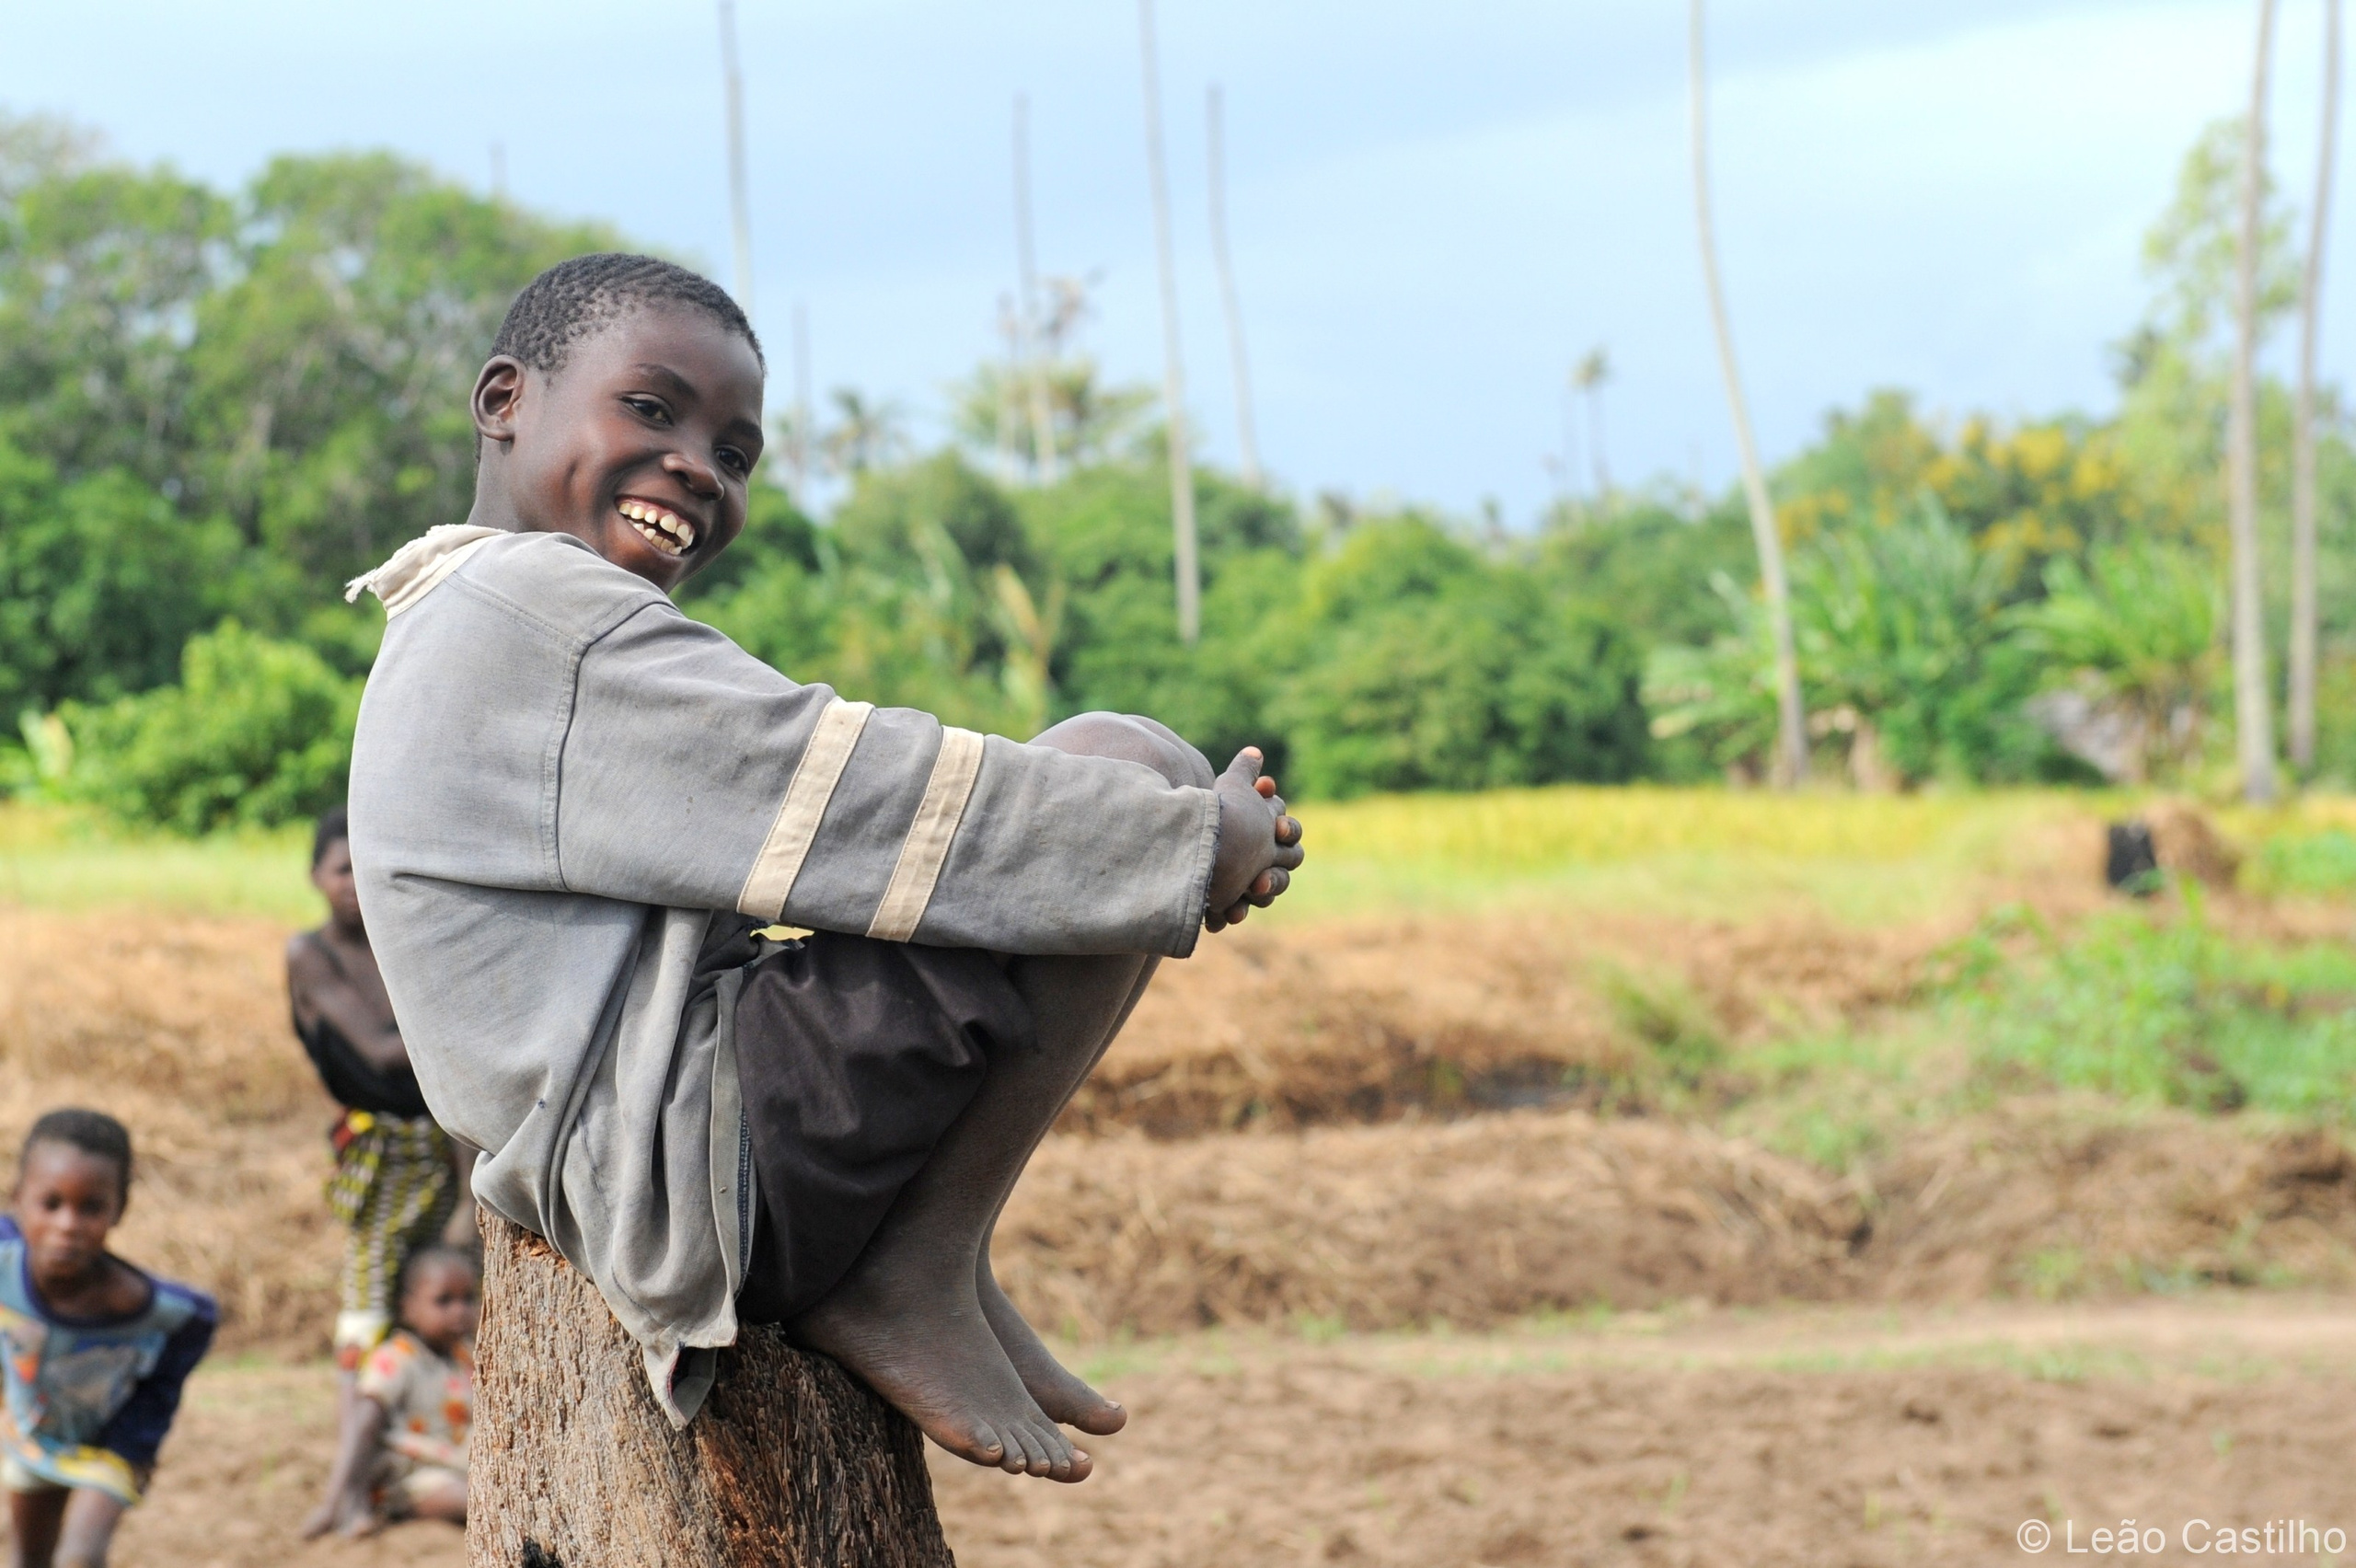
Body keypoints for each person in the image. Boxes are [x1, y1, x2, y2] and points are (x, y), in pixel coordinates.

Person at [343, 253, 1302, 1484]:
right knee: (1135, 771)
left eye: (734, 452)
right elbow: (847, 795)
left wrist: (1165, 845)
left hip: (667, 1149)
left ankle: (940, 1256)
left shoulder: (480, 608)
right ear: (503, 401)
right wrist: (1188, 844)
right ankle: (910, 1269)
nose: (698, 464)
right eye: (652, 408)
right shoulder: (532, 614)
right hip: (690, 1172)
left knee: (1125, 783)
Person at [287, 807, 476, 1536]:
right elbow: (378, 1050)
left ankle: (424, 1461)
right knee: (367, 1316)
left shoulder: (403, 944)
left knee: (451, 1294)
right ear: (315, 877)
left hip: (445, 1144)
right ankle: (351, 1483)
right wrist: (454, 1021)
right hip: (383, 1155)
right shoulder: (312, 955)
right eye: (341, 870)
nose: (354, 886)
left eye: (366, 869)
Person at [1, 1110, 215, 1568]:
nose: (68, 1224)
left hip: (114, 1446)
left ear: (119, 1208)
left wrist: (136, 1444)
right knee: (26, 1559)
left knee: (80, 1556)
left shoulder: (161, 1312)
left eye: (91, 1207)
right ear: (18, 1199)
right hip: (33, 1433)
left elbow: (170, 1372)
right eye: (50, 1203)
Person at [309, 1247, 477, 1538]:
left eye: (468, 1299)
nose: (459, 1312)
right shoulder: (396, 1359)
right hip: (416, 1478)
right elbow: (364, 1426)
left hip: (463, 1466)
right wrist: (345, 1495)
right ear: (407, 1308)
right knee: (474, 1499)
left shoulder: (467, 1356)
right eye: (444, 1301)